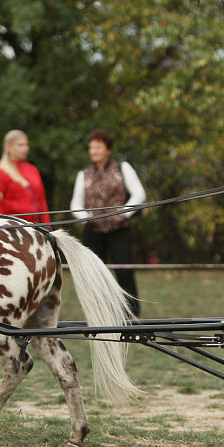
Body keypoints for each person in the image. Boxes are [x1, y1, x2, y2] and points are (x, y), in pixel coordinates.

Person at [70, 129, 146, 316]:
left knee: (124, 269)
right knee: (94, 274)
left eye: (98, 147)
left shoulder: (122, 168)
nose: (93, 151)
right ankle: (100, 310)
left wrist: (124, 214)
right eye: (91, 147)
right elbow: (75, 203)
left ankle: (130, 311)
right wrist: (85, 218)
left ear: (108, 149)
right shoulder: (84, 174)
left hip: (118, 230)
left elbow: (139, 193)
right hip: (93, 231)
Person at [0, 130, 51, 224]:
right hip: (14, 229)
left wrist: (47, 226)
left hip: (37, 227)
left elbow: (42, 201)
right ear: (8, 147)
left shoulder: (32, 169)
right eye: (20, 145)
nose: (25, 148)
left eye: (26, 144)